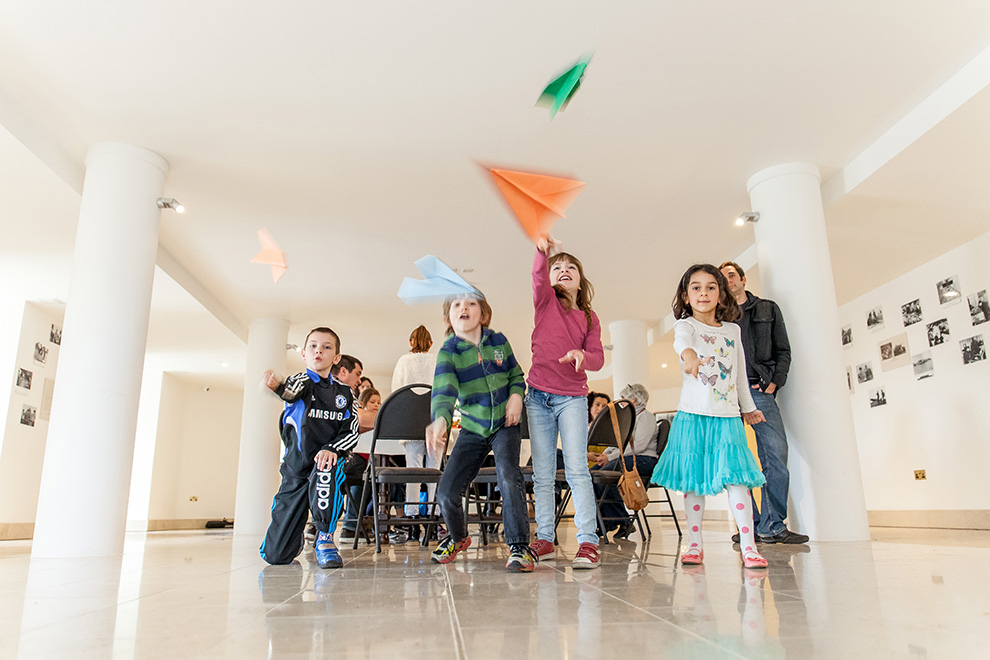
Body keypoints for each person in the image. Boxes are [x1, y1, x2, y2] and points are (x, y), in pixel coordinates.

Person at [651, 264, 769, 569]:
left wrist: (749, 407)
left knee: (737, 480)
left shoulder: (733, 330)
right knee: (693, 482)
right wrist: (689, 356)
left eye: (711, 287)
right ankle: (694, 544)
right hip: (692, 416)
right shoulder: (685, 326)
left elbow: (740, 375)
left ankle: (749, 546)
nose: (703, 293)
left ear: (721, 293)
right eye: (696, 287)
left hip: (728, 417)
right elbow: (682, 345)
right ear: (686, 295)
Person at [426, 291, 535, 572]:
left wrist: (516, 396)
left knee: (509, 476)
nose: (464, 307)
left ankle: (520, 547)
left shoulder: (498, 342)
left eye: (471, 303)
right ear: (449, 317)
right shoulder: (449, 351)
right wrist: (440, 419)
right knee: (447, 491)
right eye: (457, 305)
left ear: (483, 313)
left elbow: (515, 375)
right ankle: (459, 537)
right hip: (472, 428)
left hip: (504, 425)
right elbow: (444, 388)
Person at [526, 237, 605, 569]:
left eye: (571, 266)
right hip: (537, 397)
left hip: (572, 398)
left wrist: (581, 355)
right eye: (558, 267)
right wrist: (542, 252)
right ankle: (545, 538)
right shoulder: (545, 302)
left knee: (577, 470)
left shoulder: (588, 317)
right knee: (542, 474)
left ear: (580, 278)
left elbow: (598, 359)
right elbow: (538, 277)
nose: (563, 270)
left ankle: (588, 542)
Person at [720, 261, 809, 545]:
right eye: (722, 278)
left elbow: (783, 349)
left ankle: (773, 524)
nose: (728, 281)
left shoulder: (767, 309)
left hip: (760, 390)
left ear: (743, 279)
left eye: (731, 275)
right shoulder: (718, 318)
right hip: (728, 395)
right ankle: (752, 523)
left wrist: (776, 381)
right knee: (735, 461)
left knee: (774, 454)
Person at [259, 327, 359, 569]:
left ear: (336, 358)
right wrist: (277, 386)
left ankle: (325, 539)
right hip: (296, 469)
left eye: (326, 347)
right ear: (304, 353)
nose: (319, 351)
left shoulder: (345, 393)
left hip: (327, 465)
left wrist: (332, 449)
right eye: (313, 346)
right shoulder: (301, 381)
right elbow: (290, 392)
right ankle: (293, 539)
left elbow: (352, 430)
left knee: (326, 465)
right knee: (275, 556)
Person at [590, 383, 659, 538]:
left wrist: (610, 457)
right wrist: (605, 456)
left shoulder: (646, 417)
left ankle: (621, 521)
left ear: (633, 399)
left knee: (604, 475)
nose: (620, 401)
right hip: (626, 459)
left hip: (644, 460)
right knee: (591, 475)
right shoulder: (629, 419)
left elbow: (639, 446)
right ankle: (608, 521)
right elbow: (617, 443)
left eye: (623, 398)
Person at [391, 325, 439, 519]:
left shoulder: (403, 361)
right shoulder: (438, 360)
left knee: (413, 467)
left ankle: (411, 512)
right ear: (430, 343)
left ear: (410, 342)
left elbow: (396, 393)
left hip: (409, 420)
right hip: (434, 419)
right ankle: (434, 512)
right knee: (434, 467)